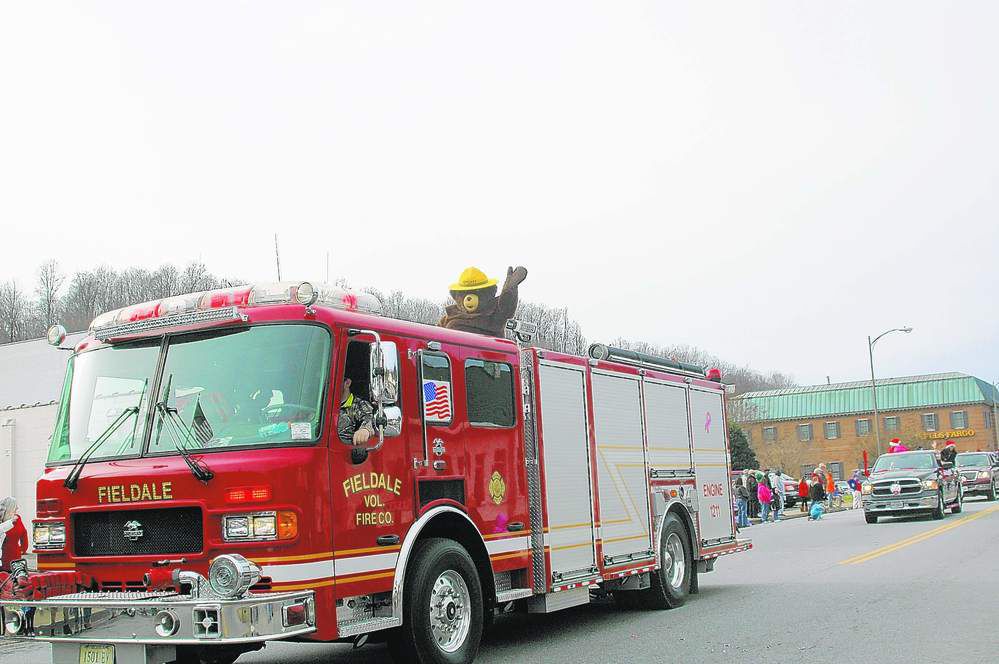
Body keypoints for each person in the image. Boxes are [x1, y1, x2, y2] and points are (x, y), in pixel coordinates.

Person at [337, 378, 375, 446]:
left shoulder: (360, 404)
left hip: (346, 448)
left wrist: (365, 429)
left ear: (347, 383)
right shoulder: (322, 405)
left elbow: (369, 418)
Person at [1, 497, 29, 572]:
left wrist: (23, 548)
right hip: (5, 556)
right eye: (15, 506)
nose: (17, 508)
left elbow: (24, 533)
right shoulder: (3, 521)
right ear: (10, 507)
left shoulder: (17, 518)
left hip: (15, 556)